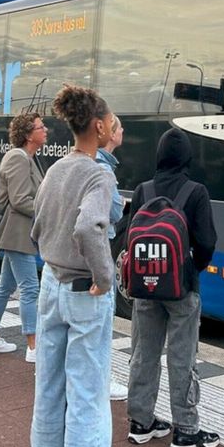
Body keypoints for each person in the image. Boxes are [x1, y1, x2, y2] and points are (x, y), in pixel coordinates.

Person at [29, 84, 118, 447]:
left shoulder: (55, 170)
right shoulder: (99, 176)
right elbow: (87, 228)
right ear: (98, 127)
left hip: (51, 284)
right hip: (85, 290)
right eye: (112, 122)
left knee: (48, 390)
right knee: (88, 396)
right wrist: (105, 275)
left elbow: (38, 226)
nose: (115, 127)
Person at [126, 127, 220, 447]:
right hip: (182, 290)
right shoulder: (196, 192)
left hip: (144, 288)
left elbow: (129, 236)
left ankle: (140, 422)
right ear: (187, 158)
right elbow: (207, 242)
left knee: (143, 355)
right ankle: (186, 431)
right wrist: (190, 269)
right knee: (182, 359)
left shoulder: (142, 189)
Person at [0, 112, 47, 362]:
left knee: (5, 286)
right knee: (30, 288)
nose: (46, 130)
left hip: (17, 232)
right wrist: (48, 213)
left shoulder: (28, 157)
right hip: (17, 232)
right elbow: (20, 200)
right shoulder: (18, 158)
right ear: (29, 135)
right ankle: (34, 346)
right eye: (41, 127)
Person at [94, 116, 131, 402]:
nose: (123, 132)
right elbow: (115, 212)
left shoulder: (86, 162)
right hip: (99, 247)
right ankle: (103, 381)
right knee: (102, 320)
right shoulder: (104, 168)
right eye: (119, 128)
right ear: (108, 133)